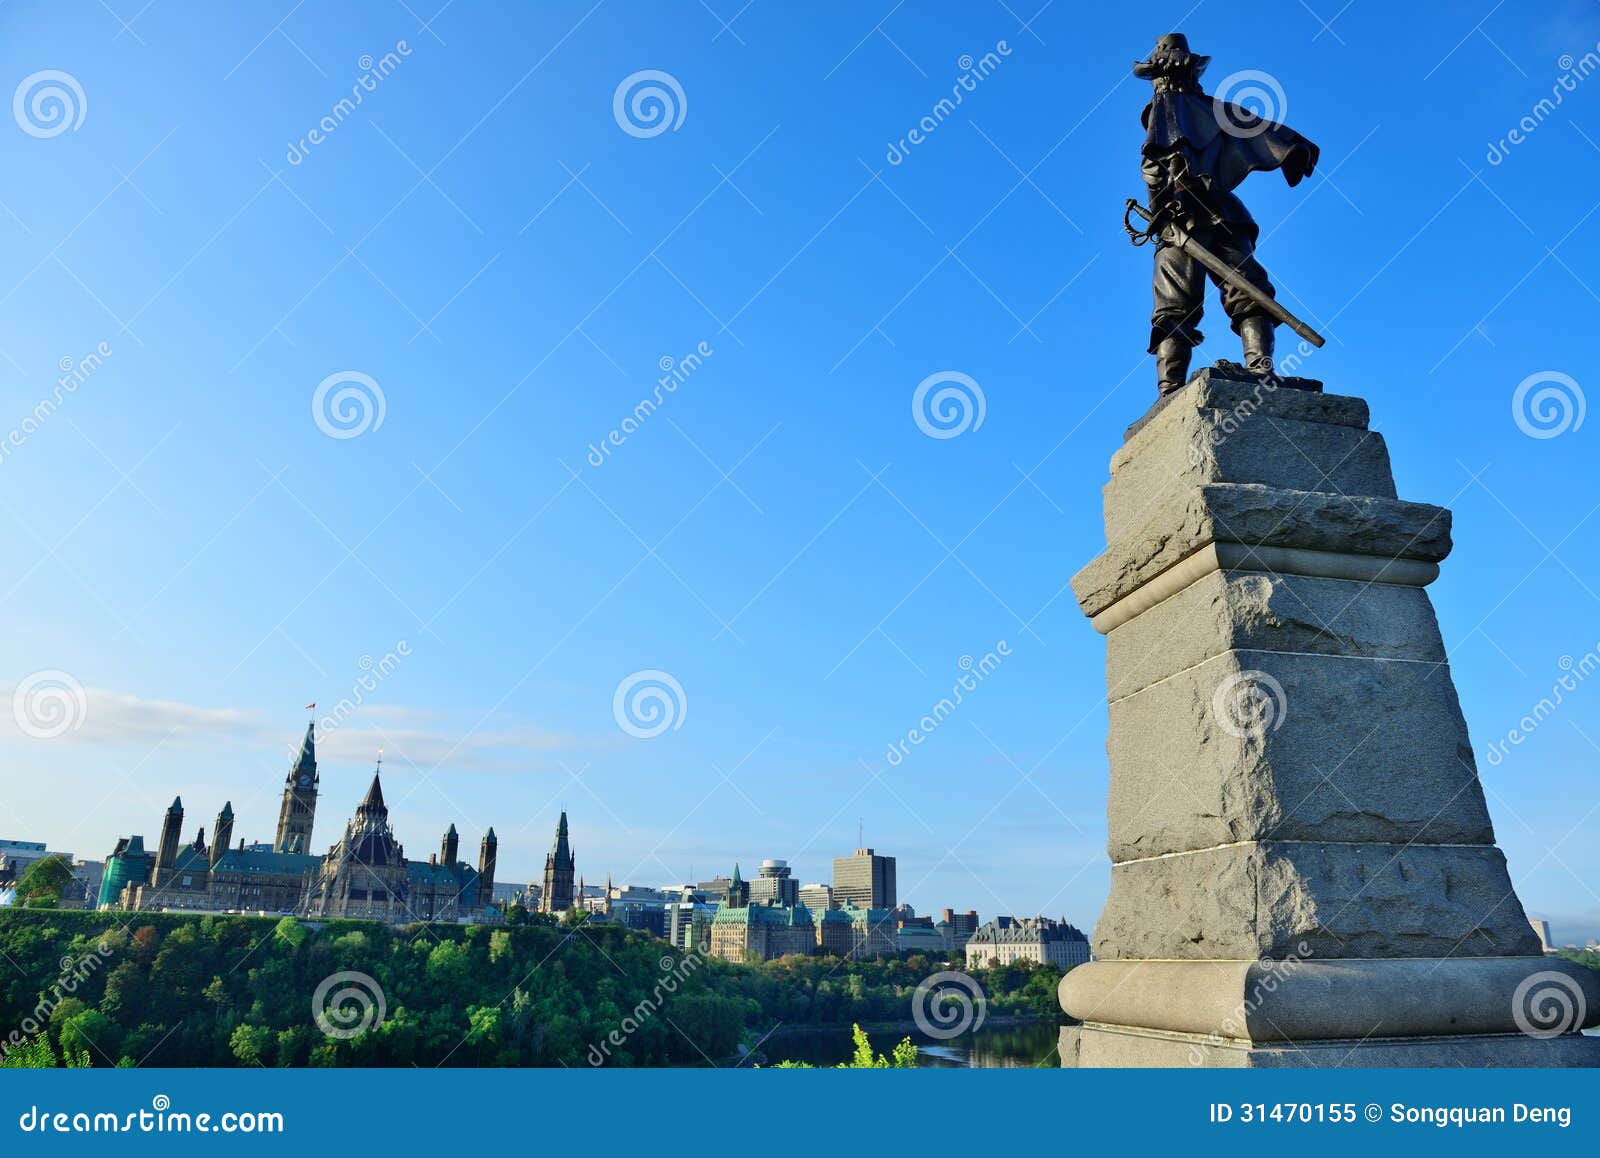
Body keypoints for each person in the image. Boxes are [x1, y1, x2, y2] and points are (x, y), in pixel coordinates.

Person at [1135, 34, 1319, 394]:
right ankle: (1255, 370)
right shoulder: (1214, 109)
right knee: (1240, 289)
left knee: (1184, 301)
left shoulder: (1168, 105)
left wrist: (1158, 202)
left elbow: (1154, 167)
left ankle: (1172, 387)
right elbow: (1262, 129)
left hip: (1184, 216)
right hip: (1214, 214)